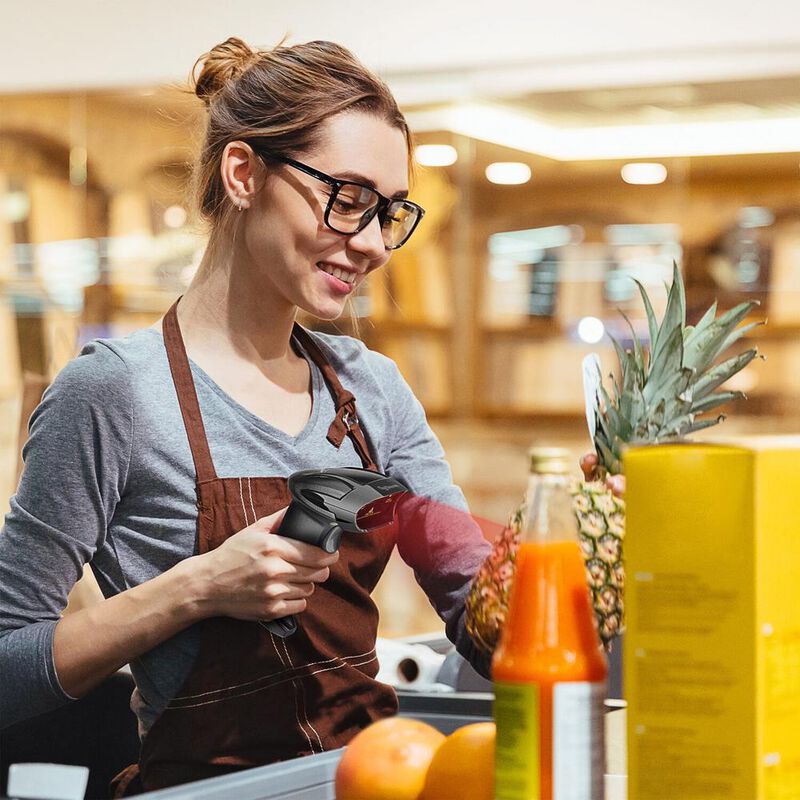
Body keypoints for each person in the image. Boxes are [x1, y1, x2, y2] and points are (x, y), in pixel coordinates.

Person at [0, 37, 493, 794]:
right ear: (243, 173)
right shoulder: (114, 396)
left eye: (390, 212)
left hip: (369, 781)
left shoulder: (375, 392)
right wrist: (197, 588)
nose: (372, 243)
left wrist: (567, 566)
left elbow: (474, 603)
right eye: (349, 198)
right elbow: (8, 670)